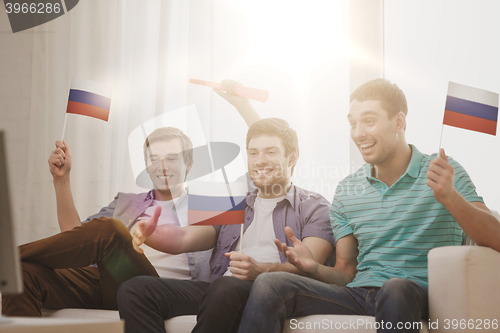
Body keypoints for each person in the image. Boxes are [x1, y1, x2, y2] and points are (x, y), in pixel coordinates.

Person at [236, 78, 500, 333]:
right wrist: (314, 268)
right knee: (270, 284)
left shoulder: (444, 171)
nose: (358, 133)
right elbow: (346, 272)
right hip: (358, 294)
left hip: (416, 293)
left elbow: (495, 238)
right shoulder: (347, 190)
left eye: (369, 121)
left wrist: (450, 197)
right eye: (353, 123)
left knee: (395, 288)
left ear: (398, 121)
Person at [117, 116, 336, 333]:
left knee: (226, 287)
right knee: (135, 289)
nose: (259, 160)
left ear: (291, 159)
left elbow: (310, 268)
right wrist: (150, 233)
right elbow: (184, 238)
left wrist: (261, 271)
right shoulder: (233, 199)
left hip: (269, 293)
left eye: (270, 152)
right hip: (220, 290)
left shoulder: (313, 206)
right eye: (253, 153)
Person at [1, 127, 211, 316]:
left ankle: (6, 260)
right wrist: (61, 180)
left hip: (163, 291)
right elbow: (77, 240)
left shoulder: (207, 207)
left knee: (112, 230)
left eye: (172, 158)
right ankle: (10, 264)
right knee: (22, 274)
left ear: (189, 164)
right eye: (154, 159)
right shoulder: (126, 202)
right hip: (107, 282)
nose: (162, 166)